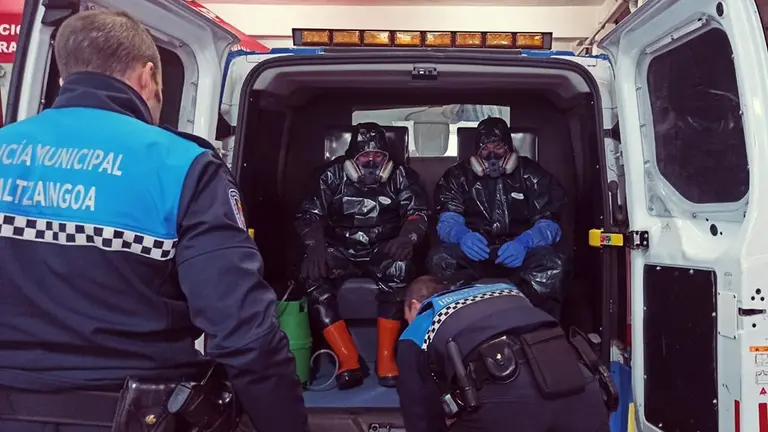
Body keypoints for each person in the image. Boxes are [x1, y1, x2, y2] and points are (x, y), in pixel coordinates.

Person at [0, 10, 307, 432]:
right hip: (134, 414)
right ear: (147, 77)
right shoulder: (181, 165)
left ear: (62, 76)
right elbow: (243, 333)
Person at [295, 122, 429, 389]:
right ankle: (348, 359)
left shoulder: (403, 176)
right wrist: (315, 247)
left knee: (400, 269)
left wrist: (407, 238)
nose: (371, 161)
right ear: (352, 157)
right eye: (364, 156)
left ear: (387, 157)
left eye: (378, 156)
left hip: (383, 247)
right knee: (312, 277)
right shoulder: (329, 176)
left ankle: (386, 358)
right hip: (339, 248)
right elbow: (310, 215)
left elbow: (418, 213)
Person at [396, 276, 613, 432]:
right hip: (584, 390)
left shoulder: (420, 326)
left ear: (414, 306)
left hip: (506, 404)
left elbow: (421, 418)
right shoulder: (504, 291)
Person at [428, 117, 568, 318]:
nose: (492, 154)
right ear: (476, 151)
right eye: (485, 148)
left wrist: (524, 243)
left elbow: (550, 223)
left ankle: (536, 324)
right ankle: (460, 320)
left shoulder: (532, 174)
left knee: (552, 265)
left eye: (498, 146)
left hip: (519, 254)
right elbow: (447, 220)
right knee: (441, 259)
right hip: (476, 254)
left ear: (509, 148)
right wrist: (462, 236)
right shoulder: (457, 176)